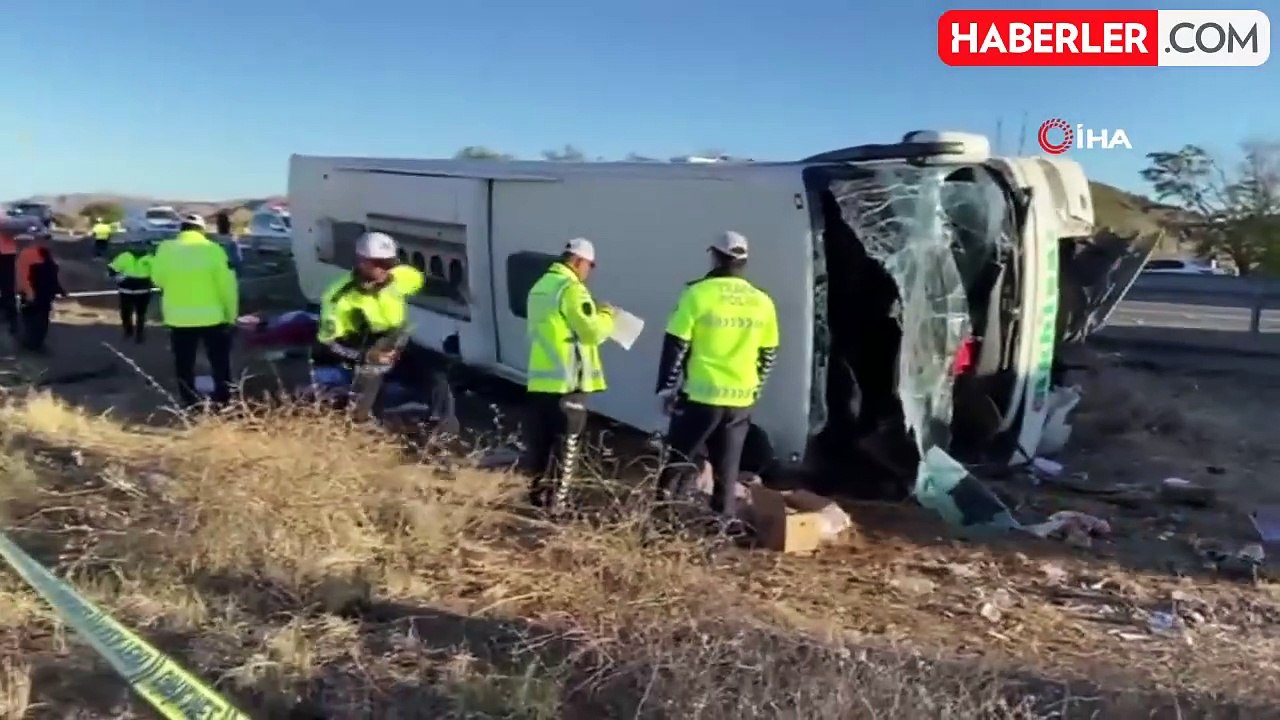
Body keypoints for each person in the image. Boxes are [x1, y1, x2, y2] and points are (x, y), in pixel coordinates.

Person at [654, 231, 779, 522]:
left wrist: (666, 388)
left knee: (678, 460)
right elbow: (768, 354)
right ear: (744, 261)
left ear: (715, 257)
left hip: (702, 395)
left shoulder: (697, 294)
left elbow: (677, 344)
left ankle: (660, 524)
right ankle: (717, 534)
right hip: (739, 401)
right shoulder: (762, 301)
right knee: (728, 470)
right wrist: (754, 391)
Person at [523, 238, 615, 512]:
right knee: (567, 445)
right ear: (578, 261)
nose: (590, 271)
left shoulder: (540, 287)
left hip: (543, 379)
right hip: (569, 380)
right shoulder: (571, 289)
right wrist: (607, 316)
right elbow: (591, 332)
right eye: (590, 265)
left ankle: (537, 496)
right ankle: (558, 506)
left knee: (542, 442)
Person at [310, 231, 425, 403]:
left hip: (393, 344)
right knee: (368, 382)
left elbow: (416, 278)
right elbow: (329, 343)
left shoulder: (399, 277)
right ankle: (358, 417)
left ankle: (443, 425)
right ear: (362, 261)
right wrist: (367, 356)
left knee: (436, 373)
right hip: (356, 352)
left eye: (390, 262)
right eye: (380, 263)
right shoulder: (338, 297)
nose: (386, 269)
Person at [149, 214, 238, 408]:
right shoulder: (213, 250)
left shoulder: (165, 249)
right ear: (202, 230)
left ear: (181, 229)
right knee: (220, 363)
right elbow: (227, 287)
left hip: (178, 318)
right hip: (213, 318)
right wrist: (231, 315)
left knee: (184, 364)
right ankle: (224, 401)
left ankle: (189, 401)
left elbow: (157, 280)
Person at [15, 234, 66, 352]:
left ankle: (38, 344)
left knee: (43, 322)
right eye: (44, 239)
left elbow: (51, 274)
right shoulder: (28, 254)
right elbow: (22, 276)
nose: (47, 242)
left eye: (48, 240)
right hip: (33, 294)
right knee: (33, 322)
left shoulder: (45, 253)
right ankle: (30, 346)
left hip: (45, 295)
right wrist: (28, 293)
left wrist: (59, 289)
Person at [107, 240, 154, 343]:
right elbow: (112, 269)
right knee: (125, 313)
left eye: (141, 245)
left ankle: (139, 335)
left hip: (142, 290)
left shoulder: (150, 258)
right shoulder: (124, 256)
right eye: (136, 245)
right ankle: (128, 331)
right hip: (126, 290)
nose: (138, 248)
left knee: (141, 314)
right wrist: (116, 276)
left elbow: (157, 273)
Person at [0, 229, 18, 336]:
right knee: (7, 287)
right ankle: (11, 318)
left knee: (7, 287)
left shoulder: (4, 215)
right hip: (7, 252)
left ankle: (12, 319)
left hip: (6, 253)